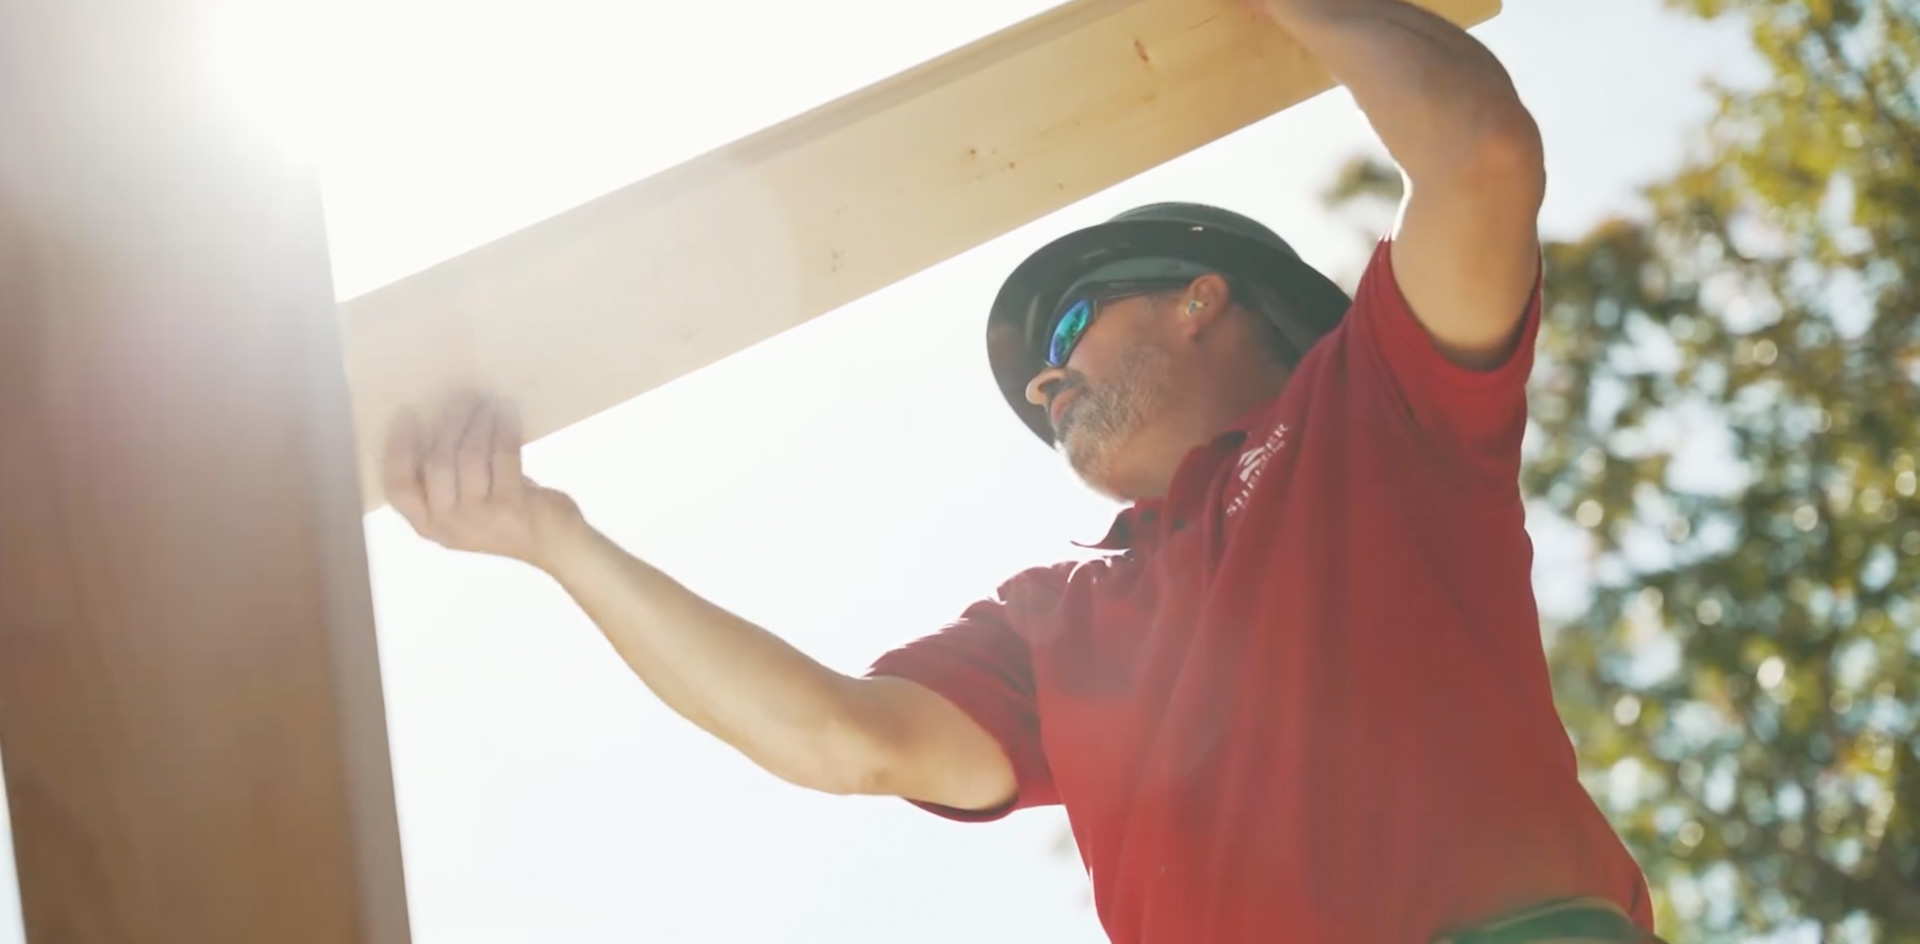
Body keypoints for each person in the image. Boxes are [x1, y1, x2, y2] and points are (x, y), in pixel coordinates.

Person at [381, 1, 1663, 942]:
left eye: (1062, 337)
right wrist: (554, 537)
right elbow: (839, 735)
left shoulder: (1372, 414)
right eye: (1036, 386)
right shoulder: (1054, 619)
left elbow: (1481, 157)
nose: (1045, 389)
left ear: (1200, 298)